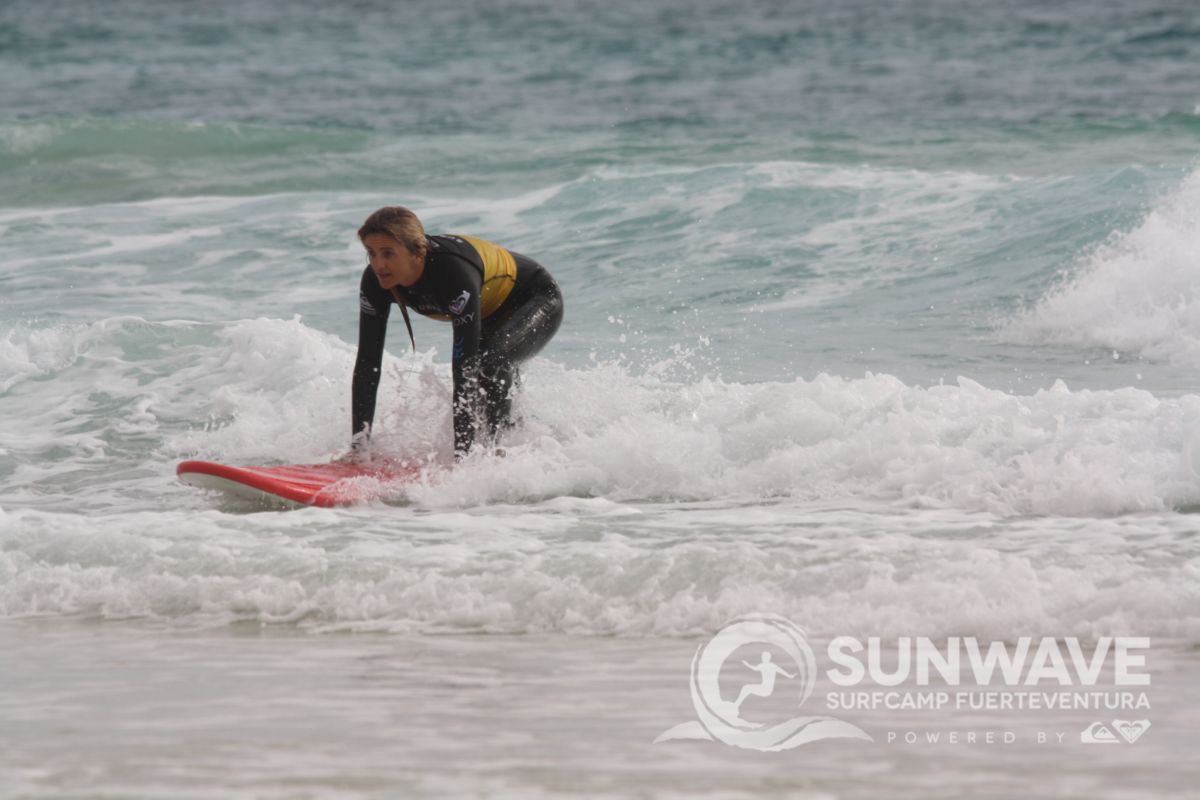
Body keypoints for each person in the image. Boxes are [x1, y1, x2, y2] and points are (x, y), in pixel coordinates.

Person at [351, 206, 563, 459]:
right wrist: (358, 449)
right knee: (488, 378)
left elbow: (465, 370)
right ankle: (522, 444)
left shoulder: (452, 272)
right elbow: (368, 363)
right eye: (371, 253)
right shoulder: (375, 281)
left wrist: (462, 459)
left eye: (388, 253)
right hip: (488, 309)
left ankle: (492, 456)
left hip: (536, 298)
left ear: (418, 252)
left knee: (490, 364)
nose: (378, 264)